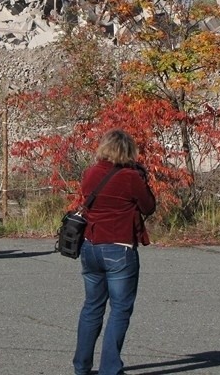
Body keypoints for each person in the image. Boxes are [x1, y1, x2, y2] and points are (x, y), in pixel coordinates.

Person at [73, 129, 156, 375]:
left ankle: (81, 366)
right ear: (129, 152)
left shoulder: (90, 173)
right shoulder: (131, 177)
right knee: (120, 308)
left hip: (90, 245)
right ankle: (110, 368)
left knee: (92, 307)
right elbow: (148, 206)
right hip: (119, 247)